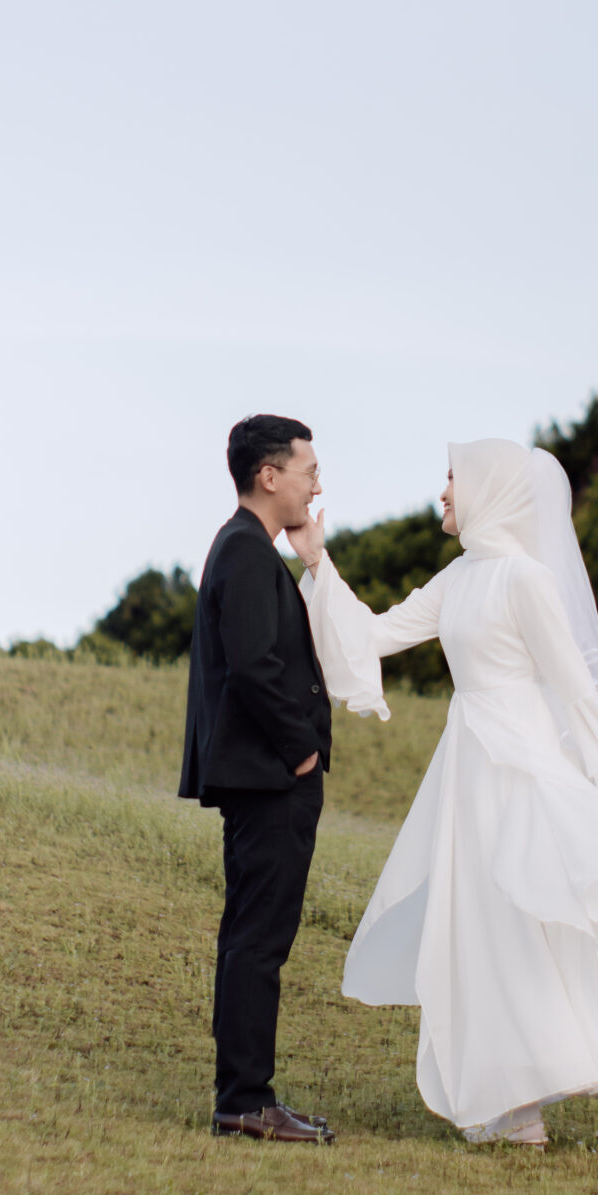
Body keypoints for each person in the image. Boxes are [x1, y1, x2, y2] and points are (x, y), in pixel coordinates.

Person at [294, 438, 598, 1148]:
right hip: (469, 771)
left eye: (452, 479)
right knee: (486, 926)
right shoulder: (459, 578)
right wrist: (317, 561)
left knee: (541, 918)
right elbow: (372, 635)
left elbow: (573, 687)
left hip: (522, 766)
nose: (443, 493)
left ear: (488, 490)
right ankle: (526, 1107)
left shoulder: (525, 579)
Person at [179, 415, 335, 1143]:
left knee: (252, 936)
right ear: (269, 476)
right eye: (308, 471)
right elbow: (252, 666)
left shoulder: (246, 548)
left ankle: (243, 1097)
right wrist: (301, 752)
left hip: (264, 777)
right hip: (270, 779)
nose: (315, 486)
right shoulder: (243, 550)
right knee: (257, 940)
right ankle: (245, 1101)